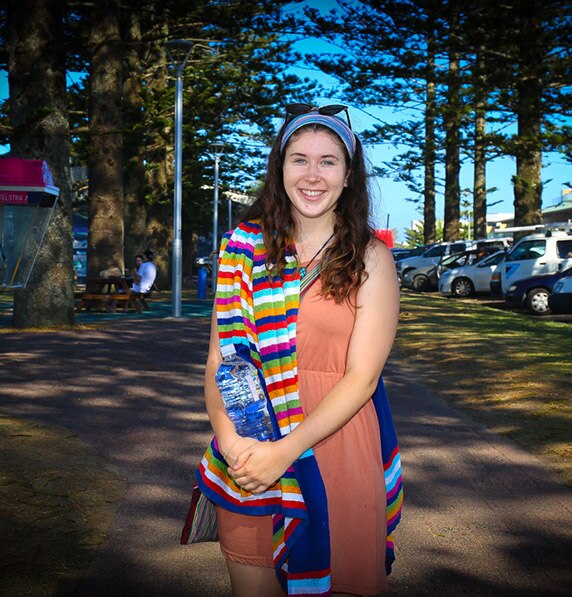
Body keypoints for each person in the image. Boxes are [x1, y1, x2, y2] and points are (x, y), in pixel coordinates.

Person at [194, 104, 403, 596]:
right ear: (279, 168)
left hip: (336, 445)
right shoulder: (242, 252)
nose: (312, 175)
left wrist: (282, 454)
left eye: (328, 161)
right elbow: (218, 361)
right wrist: (231, 443)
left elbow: (362, 378)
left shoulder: (372, 258)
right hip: (250, 441)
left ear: (349, 176)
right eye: (299, 159)